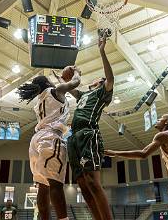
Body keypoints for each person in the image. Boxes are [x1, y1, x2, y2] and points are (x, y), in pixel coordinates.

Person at [55, 34, 114, 220]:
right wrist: (61, 78)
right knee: (82, 184)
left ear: (101, 83)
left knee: (93, 182)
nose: (96, 80)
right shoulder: (83, 95)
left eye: (99, 79)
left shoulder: (102, 92)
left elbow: (110, 77)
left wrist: (102, 51)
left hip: (89, 133)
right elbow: (67, 87)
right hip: (73, 137)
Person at [17, 67, 81, 220]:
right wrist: (77, 72)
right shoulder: (56, 90)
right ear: (47, 82)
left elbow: (59, 89)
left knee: (42, 187)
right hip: (51, 138)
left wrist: (59, 79)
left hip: (37, 139)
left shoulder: (39, 100)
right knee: (56, 184)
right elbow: (76, 82)